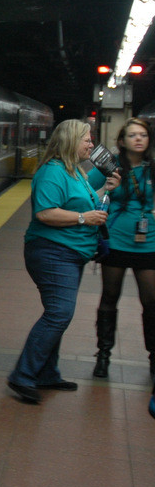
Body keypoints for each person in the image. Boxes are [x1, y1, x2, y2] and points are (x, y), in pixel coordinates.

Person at [7, 119, 121, 403]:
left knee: (57, 314)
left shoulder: (75, 172)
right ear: (70, 140)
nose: (91, 145)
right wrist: (84, 218)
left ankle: (46, 373)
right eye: (86, 139)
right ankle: (23, 376)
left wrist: (106, 189)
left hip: (72, 253)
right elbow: (45, 213)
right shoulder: (52, 172)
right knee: (59, 314)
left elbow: (87, 204)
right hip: (52, 252)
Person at [86, 117, 155, 380]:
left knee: (151, 301)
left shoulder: (153, 167)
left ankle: (153, 357)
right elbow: (84, 190)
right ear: (122, 141)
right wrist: (106, 187)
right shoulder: (110, 166)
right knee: (109, 298)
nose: (138, 139)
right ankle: (103, 355)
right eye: (133, 135)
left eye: (143, 135)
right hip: (115, 240)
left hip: (149, 242)